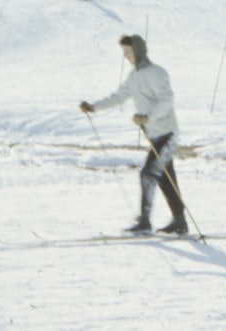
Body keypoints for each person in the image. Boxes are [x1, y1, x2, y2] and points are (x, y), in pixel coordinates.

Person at [80, 35, 187, 235]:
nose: (126, 57)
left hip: (167, 134)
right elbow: (118, 97)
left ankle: (145, 221)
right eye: (124, 53)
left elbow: (167, 100)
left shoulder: (156, 73)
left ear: (138, 51)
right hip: (155, 135)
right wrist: (94, 107)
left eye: (128, 53)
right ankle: (179, 222)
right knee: (164, 177)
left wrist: (147, 117)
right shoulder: (134, 77)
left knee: (148, 174)